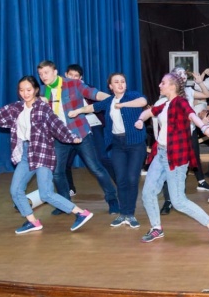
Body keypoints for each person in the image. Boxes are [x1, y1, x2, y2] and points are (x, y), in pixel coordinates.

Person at [0, 76, 94, 234]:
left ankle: (80, 213)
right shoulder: (16, 108)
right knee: (15, 190)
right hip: (26, 154)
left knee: (46, 193)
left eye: (28, 90)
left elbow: (56, 124)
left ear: (36, 90)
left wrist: (72, 137)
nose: (25, 93)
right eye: (21, 90)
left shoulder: (42, 108)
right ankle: (32, 221)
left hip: (42, 152)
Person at [135, 71, 209, 245]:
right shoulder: (164, 104)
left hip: (176, 157)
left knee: (178, 201)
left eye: (163, 82)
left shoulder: (181, 102)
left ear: (172, 86)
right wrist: (140, 119)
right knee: (147, 193)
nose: (159, 85)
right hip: (161, 154)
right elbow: (149, 112)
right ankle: (156, 228)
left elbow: (192, 115)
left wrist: (204, 128)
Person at [37, 60, 119, 214]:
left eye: (46, 72)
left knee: (95, 167)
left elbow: (94, 94)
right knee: (57, 172)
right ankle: (65, 204)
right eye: (40, 74)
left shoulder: (73, 84)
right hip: (60, 137)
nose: (43, 76)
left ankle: (112, 199)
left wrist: (114, 99)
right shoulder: (43, 91)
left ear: (55, 72)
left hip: (80, 133)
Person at [68, 72, 147, 228]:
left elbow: (143, 101)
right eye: (116, 82)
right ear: (110, 86)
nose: (120, 84)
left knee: (132, 179)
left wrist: (123, 105)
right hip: (118, 144)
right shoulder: (109, 101)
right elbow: (92, 107)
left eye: (122, 81)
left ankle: (130, 214)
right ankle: (123, 213)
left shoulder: (132, 96)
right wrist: (77, 111)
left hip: (136, 144)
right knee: (121, 179)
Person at [63, 64, 114, 198]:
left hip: (93, 125)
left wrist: (114, 99)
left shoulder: (86, 88)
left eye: (76, 76)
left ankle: (119, 183)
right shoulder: (61, 92)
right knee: (64, 162)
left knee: (102, 157)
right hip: (73, 129)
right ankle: (70, 188)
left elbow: (100, 99)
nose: (73, 78)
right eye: (70, 75)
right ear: (65, 75)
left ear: (81, 78)